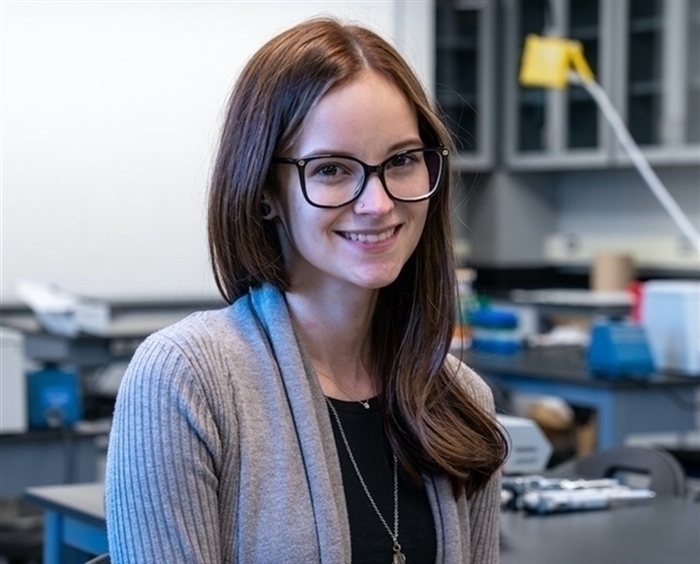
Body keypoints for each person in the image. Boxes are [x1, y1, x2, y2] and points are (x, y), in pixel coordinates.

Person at [105, 17, 507, 564]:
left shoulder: (459, 400)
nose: (378, 203)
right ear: (265, 190)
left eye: (402, 161)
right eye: (333, 170)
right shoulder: (185, 379)